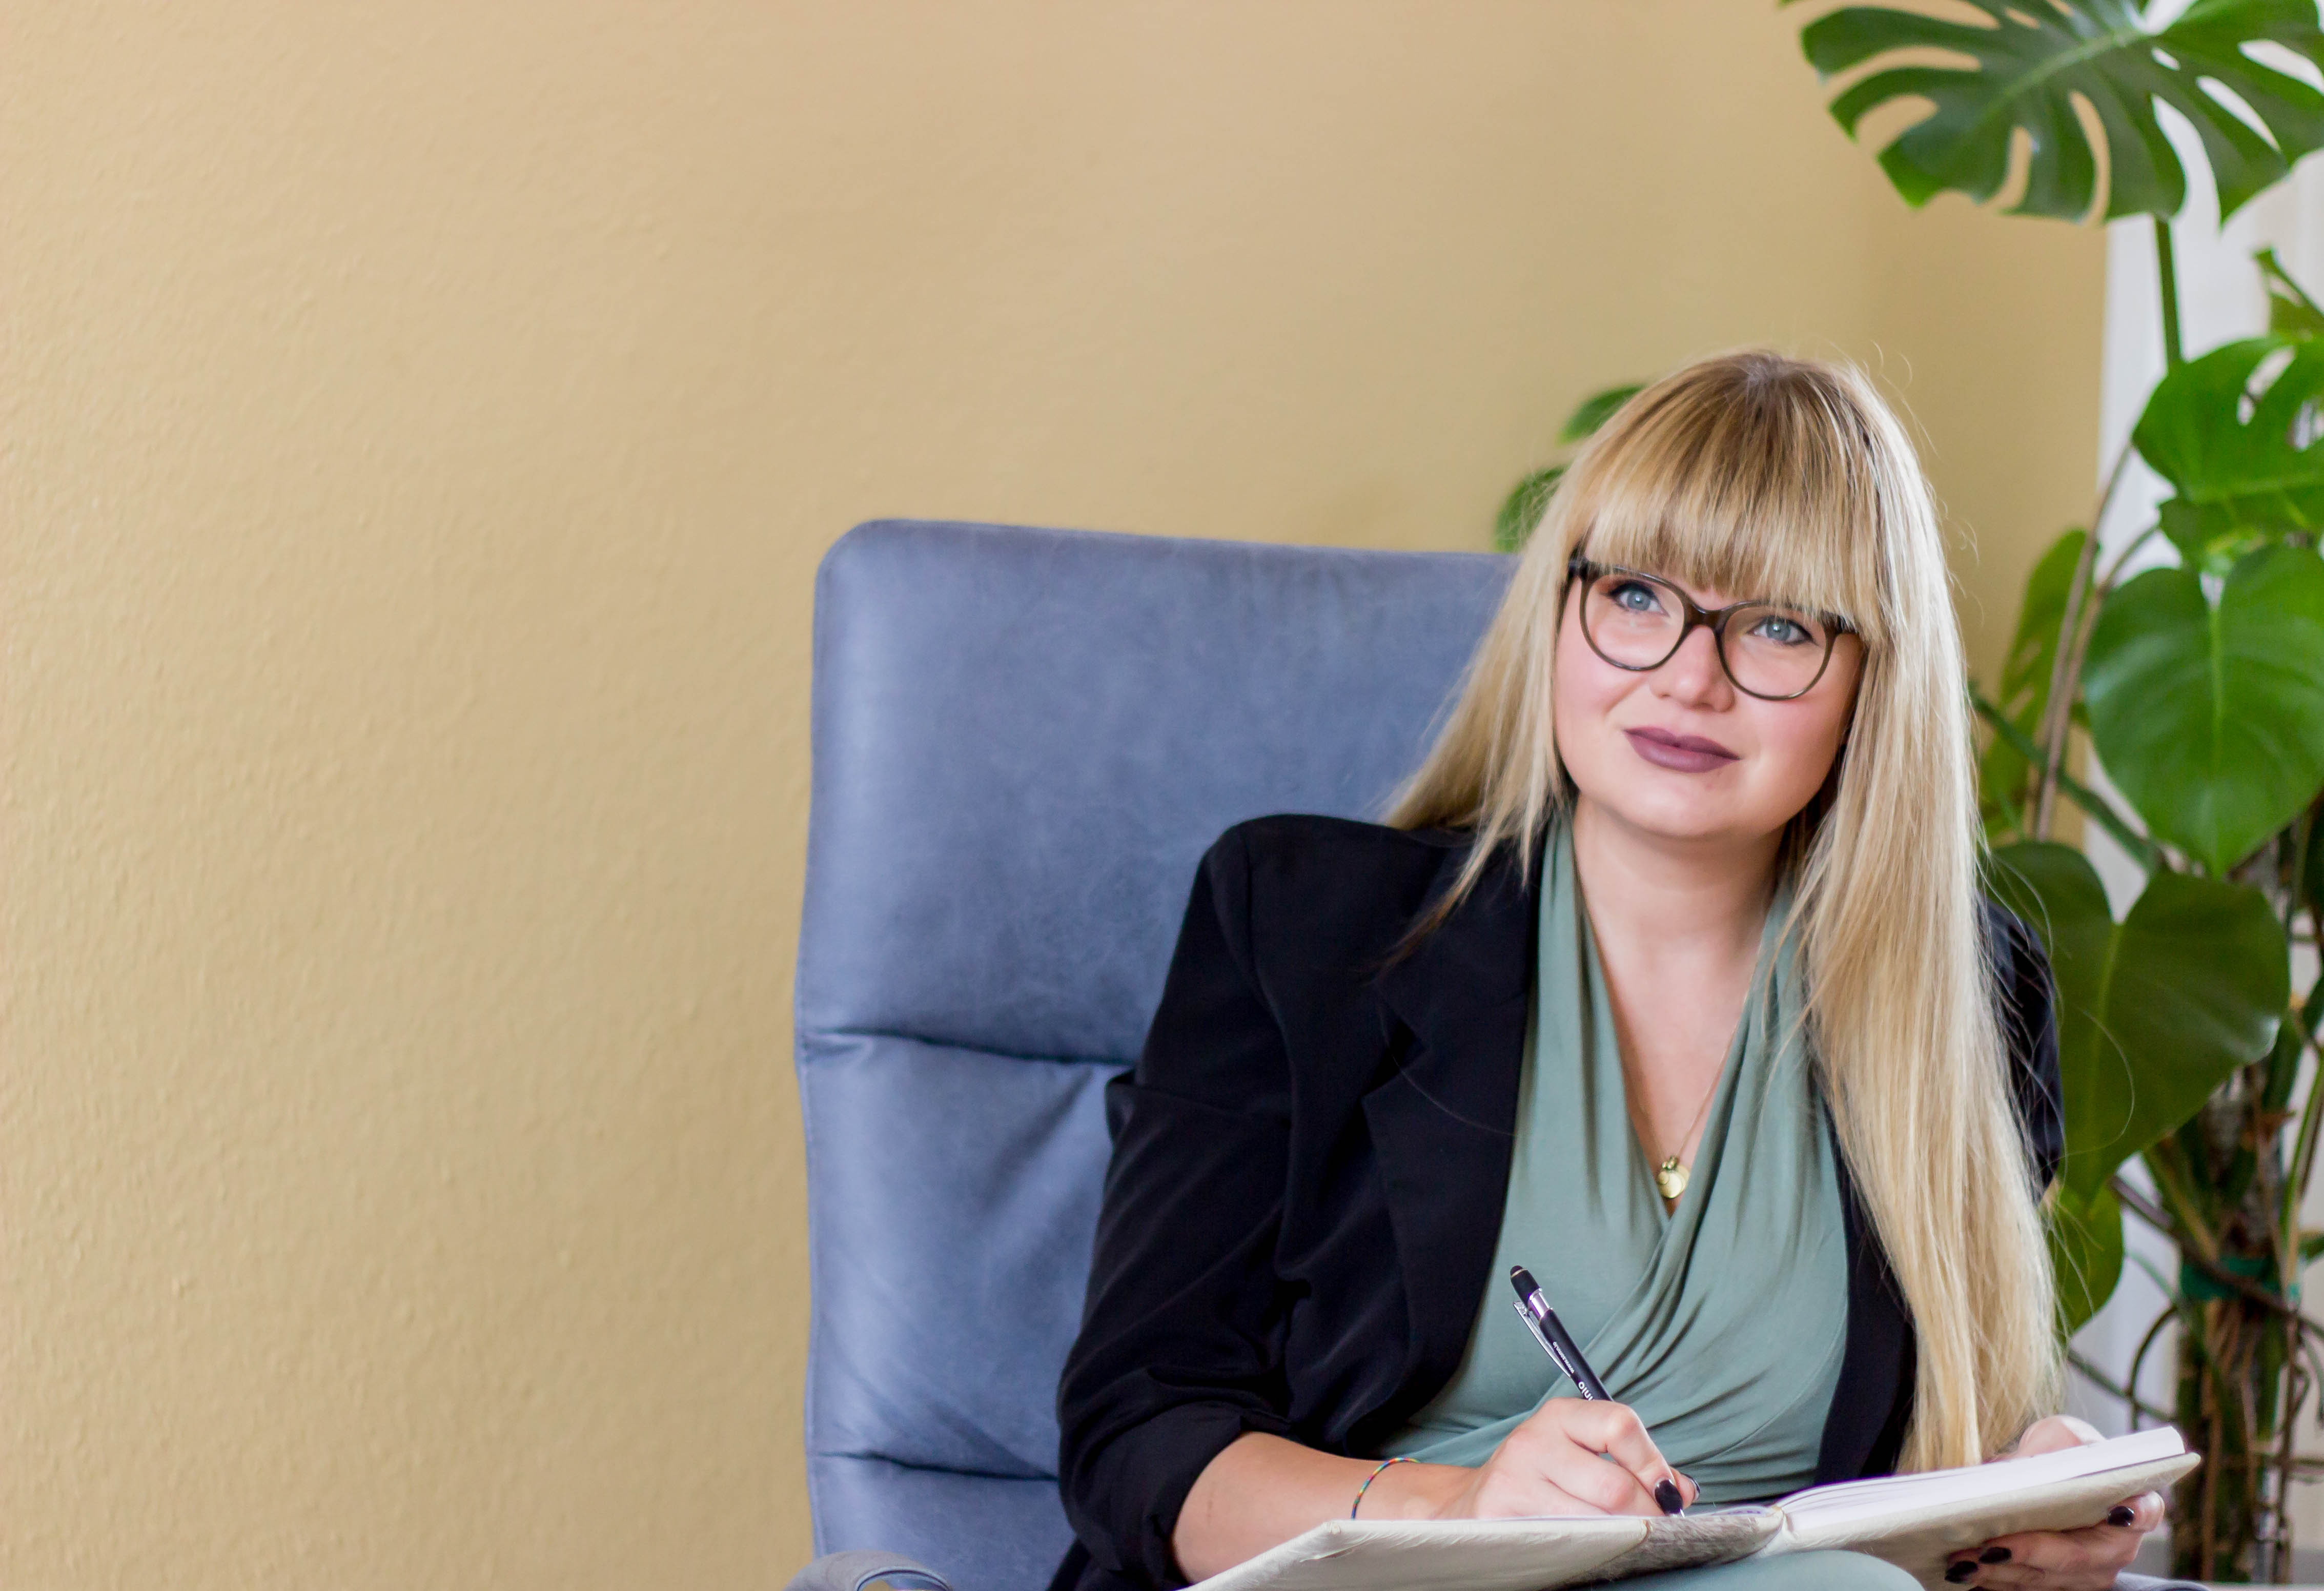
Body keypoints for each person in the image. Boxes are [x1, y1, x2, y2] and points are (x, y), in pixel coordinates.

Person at [1050, 351, 2170, 1591]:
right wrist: (1464, 1505)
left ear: (1870, 684)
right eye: (1635, 595)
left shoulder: (1967, 992)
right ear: (1559, 608)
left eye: (1779, 626)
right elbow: (1135, 1445)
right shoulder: (1299, 926)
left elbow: (1928, 1445)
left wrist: (2029, 1492)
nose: (1688, 676)